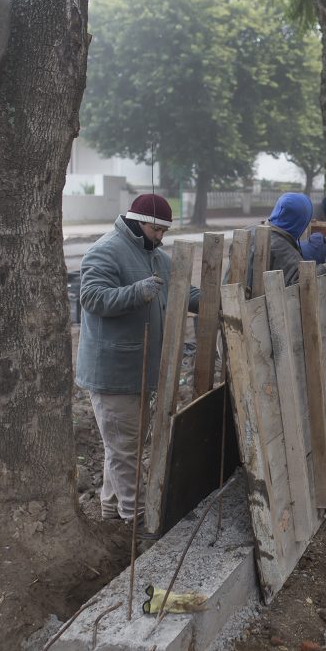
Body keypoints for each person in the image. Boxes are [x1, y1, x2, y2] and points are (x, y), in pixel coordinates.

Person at [76, 194, 199, 522]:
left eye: (164, 231)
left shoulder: (155, 255)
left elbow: (182, 291)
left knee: (121, 447)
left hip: (139, 370)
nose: (161, 237)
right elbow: (91, 297)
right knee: (125, 451)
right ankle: (136, 520)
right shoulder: (106, 250)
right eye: (156, 229)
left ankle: (111, 513)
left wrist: (221, 295)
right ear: (137, 221)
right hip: (113, 374)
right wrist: (135, 293)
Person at [244, 192, 317, 286]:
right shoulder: (287, 253)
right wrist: (324, 269)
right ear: (302, 222)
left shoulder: (249, 230)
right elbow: (302, 287)